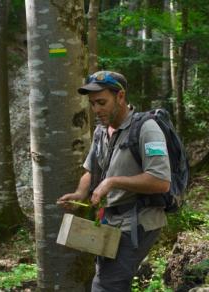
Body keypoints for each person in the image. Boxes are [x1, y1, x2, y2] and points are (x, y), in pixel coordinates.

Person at [57, 70, 172, 292]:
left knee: (107, 285)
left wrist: (113, 182)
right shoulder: (102, 131)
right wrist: (81, 193)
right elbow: (91, 170)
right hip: (111, 220)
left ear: (120, 97)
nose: (96, 109)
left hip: (138, 220)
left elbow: (161, 181)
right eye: (92, 104)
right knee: (108, 280)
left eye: (102, 102)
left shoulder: (146, 128)